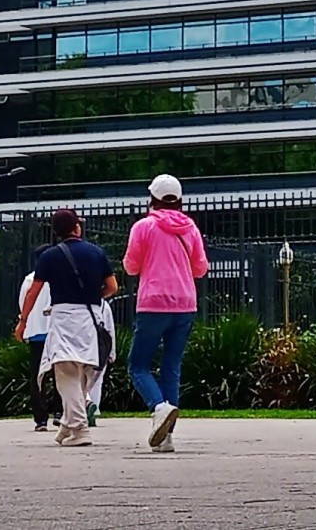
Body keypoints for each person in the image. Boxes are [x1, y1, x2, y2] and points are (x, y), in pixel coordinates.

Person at [16, 209, 118, 448]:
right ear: (76, 228)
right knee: (82, 370)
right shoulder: (96, 252)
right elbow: (113, 286)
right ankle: (66, 427)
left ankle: (80, 429)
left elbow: (34, 291)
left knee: (65, 371)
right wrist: (94, 296)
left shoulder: (49, 257)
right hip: (90, 317)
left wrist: (23, 321)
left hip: (63, 317)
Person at [123, 174, 208, 453]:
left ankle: (159, 407)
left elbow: (131, 267)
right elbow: (200, 269)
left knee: (138, 365)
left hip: (153, 303)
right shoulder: (191, 229)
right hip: (185, 304)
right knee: (171, 367)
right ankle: (167, 436)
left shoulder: (143, 227)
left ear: (153, 199)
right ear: (179, 200)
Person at [18, 245, 58, 432]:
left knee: (36, 376)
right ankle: (60, 411)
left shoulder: (29, 280)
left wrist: (24, 322)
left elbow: (23, 303)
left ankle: (40, 419)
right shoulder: (58, 277)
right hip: (56, 331)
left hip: (36, 332)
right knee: (61, 372)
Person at [85, 297, 116, 428]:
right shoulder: (104, 305)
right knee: (97, 381)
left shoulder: (79, 304)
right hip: (101, 348)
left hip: (85, 346)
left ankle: (86, 403)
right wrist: (112, 352)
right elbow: (109, 329)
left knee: (79, 378)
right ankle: (94, 408)